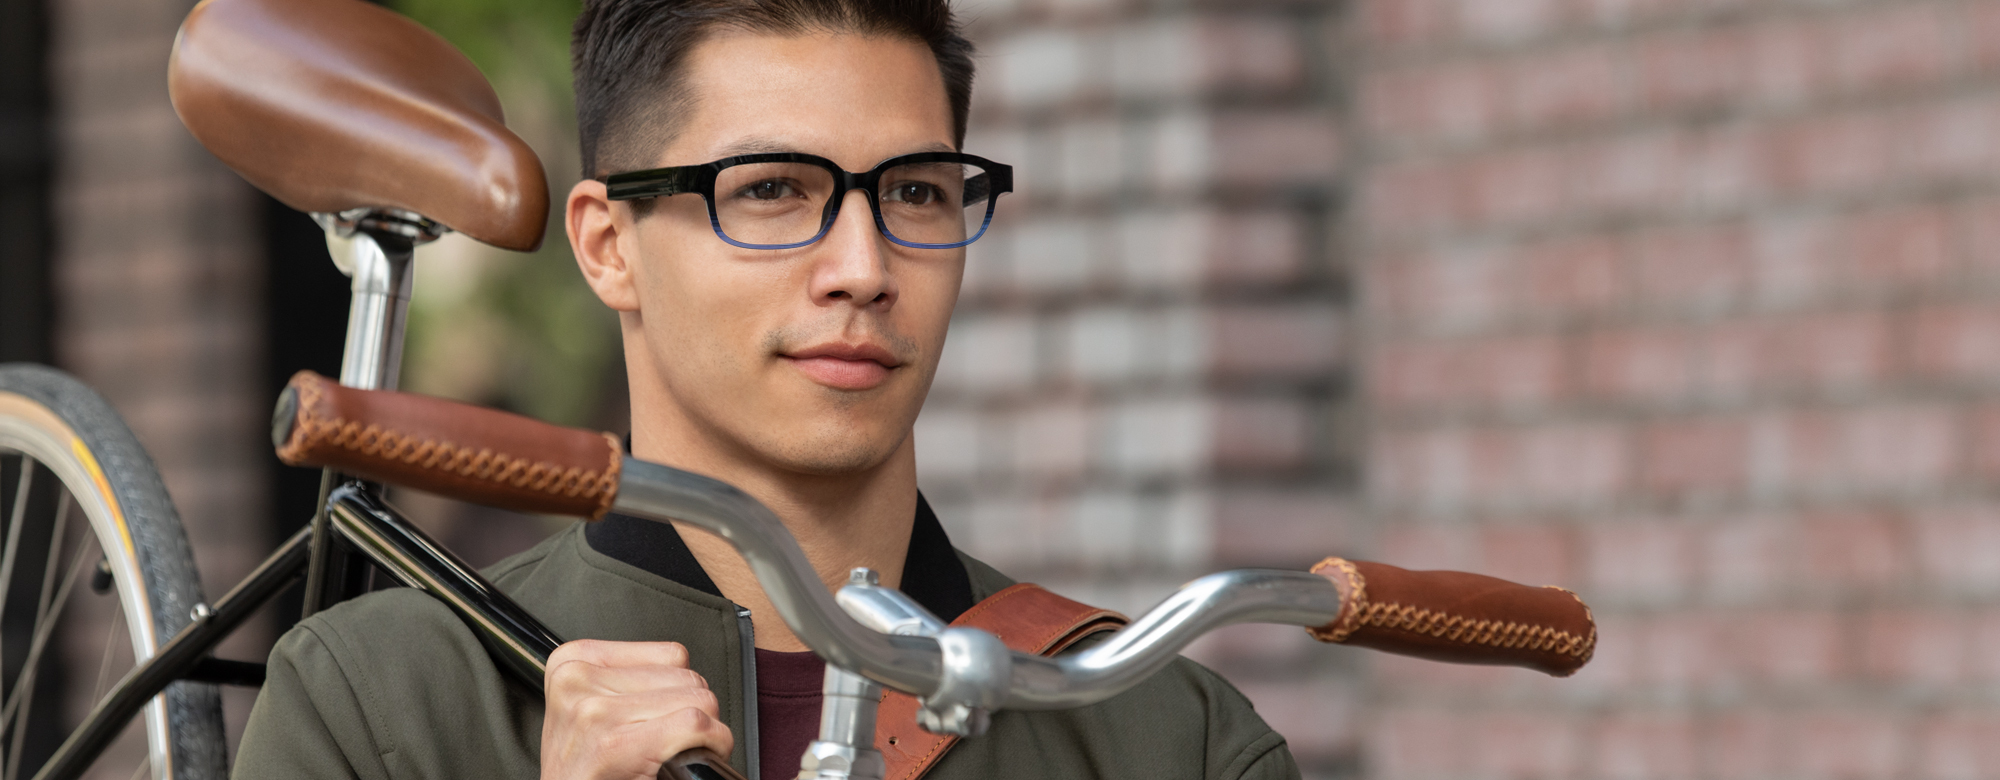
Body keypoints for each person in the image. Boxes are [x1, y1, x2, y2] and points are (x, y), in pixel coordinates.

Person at [234, 1, 1300, 778]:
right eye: (772, 191)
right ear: (609, 247)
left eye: (916, 192)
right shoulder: (378, 702)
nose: (863, 266)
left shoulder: (1167, 733)